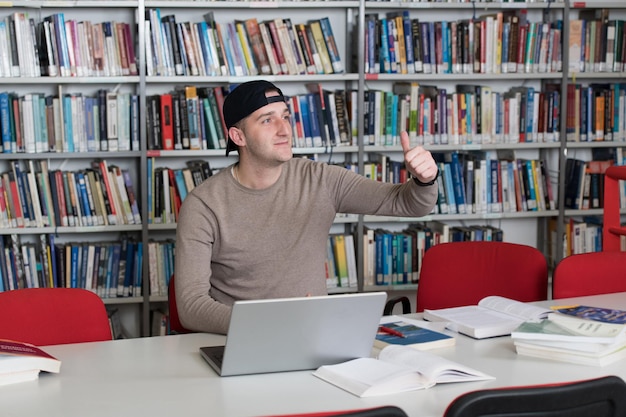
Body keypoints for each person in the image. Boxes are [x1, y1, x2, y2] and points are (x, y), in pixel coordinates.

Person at [175, 80, 439, 334]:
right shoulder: (203, 205)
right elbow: (191, 307)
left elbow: (407, 203)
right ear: (238, 136)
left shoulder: (320, 179)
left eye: (286, 117)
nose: (284, 129)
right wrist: (270, 324)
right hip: (242, 339)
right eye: (267, 120)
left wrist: (424, 179)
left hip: (311, 338)